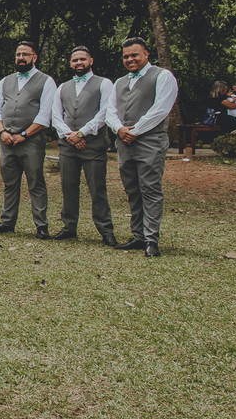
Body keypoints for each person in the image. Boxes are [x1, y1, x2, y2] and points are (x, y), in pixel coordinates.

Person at [106, 36, 179, 257]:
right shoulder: (119, 82)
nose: (130, 59)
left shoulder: (163, 76)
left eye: (134, 55)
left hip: (150, 141)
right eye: (126, 56)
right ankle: (137, 236)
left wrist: (135, 130)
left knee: (151, 189)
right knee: (132, 190)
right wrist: (119, 129)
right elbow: (110, 110)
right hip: (124, 142)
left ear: (146, 54)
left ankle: (151, 240)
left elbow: (161, 109)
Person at [0, 41, 57, 239]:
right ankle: (7, 222)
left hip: (31, 141)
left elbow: (45, 116)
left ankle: (41, 225)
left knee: (35, 182)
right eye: (18, 54)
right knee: (10, 183)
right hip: (7, 140)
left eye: (25, 54)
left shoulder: (46, 81)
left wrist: (24, 134)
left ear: (34, 57)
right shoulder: (5, 81)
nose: (20, 58)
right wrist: (2, 132)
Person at [51, 47, 117, 246]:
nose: (78, 63)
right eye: (75, 60)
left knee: (97, 188)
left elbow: (105, 112)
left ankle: (106, 230)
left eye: (82, 59)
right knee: (68, 186)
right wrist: (70, 136)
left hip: (93, 145)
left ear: (91, 61)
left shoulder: (104, 84)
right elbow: (56, 115)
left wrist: (82, 133)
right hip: (68, 146)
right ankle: (69, 227)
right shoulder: (63, 87)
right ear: (70, 63)